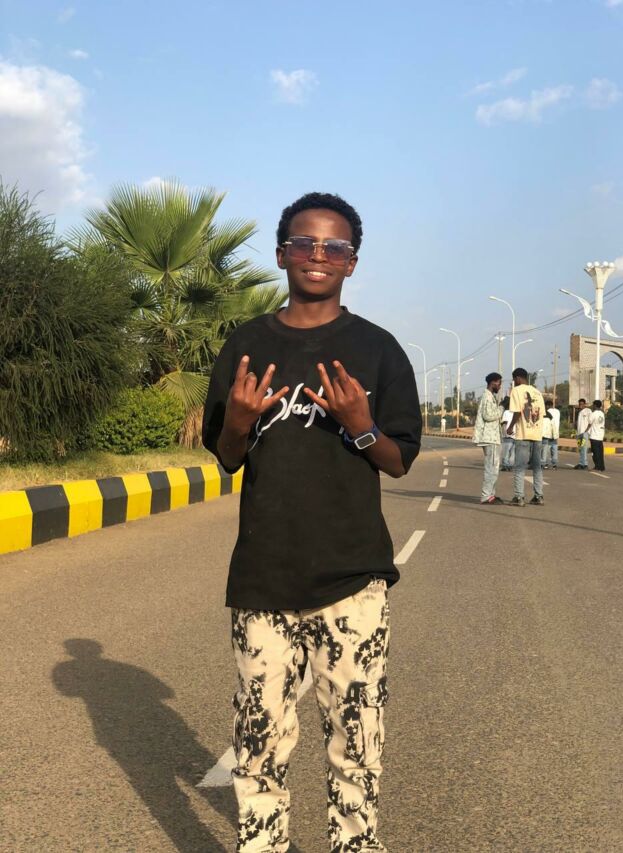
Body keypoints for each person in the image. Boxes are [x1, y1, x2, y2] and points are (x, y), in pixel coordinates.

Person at [202, 192, 422, 853]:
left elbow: (399, 459)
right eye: (304, 243)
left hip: (354, 579)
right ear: (282, 255)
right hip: (264, 578)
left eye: (335, 246)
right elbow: (226, 457)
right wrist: (239, 421)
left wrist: (361, 425)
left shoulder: (378, 350)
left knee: (357, 742)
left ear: (352, 262)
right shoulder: (246, 344)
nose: (318, 255)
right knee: (259, 742)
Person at [507, 367, 546, 506]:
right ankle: (539, 496)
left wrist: (510, 426)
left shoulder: (516, 391)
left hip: (523, 434)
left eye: (514, 379)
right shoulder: (537, 392)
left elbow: (517, 412)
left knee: (519, 467)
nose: (514, 382)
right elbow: (541, 414)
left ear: (517, 378)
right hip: (537, 434)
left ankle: (519, 497)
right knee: (537, 467)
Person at [473, 372, 504, 504]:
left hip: (493, 437)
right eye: (499, 383)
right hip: (489, 438)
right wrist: (502, 407)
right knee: (491, 468)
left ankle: (491, 494)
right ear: (493, 382)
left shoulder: (490, 396)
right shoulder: (487, 396)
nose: (500, 386)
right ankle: (486, 496)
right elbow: (488, 415)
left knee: (494, 468)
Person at [586, 399, 606, 471]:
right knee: (600, 452)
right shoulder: (602, 414)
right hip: (600, 436)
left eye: (593, 405)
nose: (592, 406)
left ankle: (597, 467)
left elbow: (589, 424)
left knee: (595, 453)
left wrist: (585, 431)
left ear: (595, 405)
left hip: (594, 436)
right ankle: (602, 466)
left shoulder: (593, 414)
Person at [575, 398, 591, 470]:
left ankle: (585, 464)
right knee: (580, 449)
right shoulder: (579, 412)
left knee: (584, 448)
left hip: (584, 434)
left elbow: (590, 422)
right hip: (579, 434)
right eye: (579, 404)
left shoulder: (588, 411)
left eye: (582, 404)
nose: (580, 405)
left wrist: (586, 431)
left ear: (585, 404)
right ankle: (581, 463)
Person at [500, 396, 515, 471]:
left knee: (506, 452)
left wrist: (503, 433)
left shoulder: (506, 412)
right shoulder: (515, 413)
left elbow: (504, 423)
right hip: (515, 435)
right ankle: (511, 465)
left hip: (507, 435)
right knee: (512, 452)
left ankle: (505, 465)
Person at [546, 400, 560, 469]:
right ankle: (554, 464)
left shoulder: (547, 412)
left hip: (548, 432)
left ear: (547, 406)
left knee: (546, 449)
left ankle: (545, 463)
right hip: (556, 432)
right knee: (554, 448)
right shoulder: (557, 411)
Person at [541, 403, 553, 469]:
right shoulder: (549, 416)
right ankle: (543, 463)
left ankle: (540, 462)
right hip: (546, 435)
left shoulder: (540, 415)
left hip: (540, 435)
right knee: (545, 450)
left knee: (539, 449)